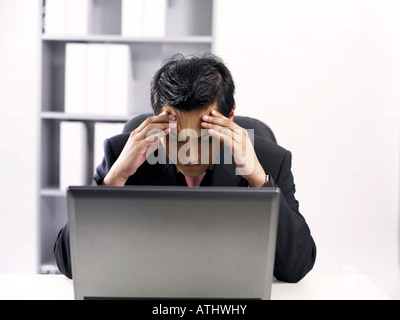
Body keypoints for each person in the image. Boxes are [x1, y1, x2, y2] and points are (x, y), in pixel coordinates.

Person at [54, 53, 316, 282]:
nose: (190, 155)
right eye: (175, 137)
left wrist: (260, 182)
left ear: (230, 117)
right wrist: (115, 178)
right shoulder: (122, 154)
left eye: (204, 138)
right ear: (155, 118)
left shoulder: (268, 159)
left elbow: (297, 268)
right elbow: (69, 265)